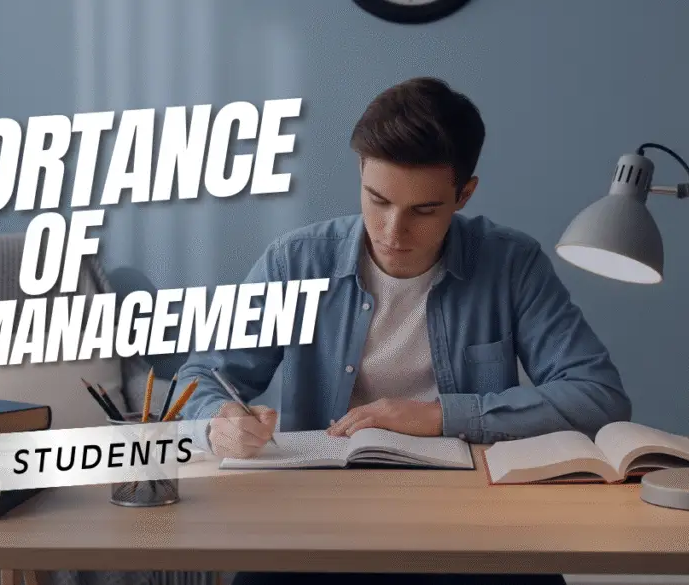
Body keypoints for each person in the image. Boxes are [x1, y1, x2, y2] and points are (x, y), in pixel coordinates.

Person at [176, 77, 631, 585]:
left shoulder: (511, 264)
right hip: (318, 523)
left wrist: (439, 416)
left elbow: (599, 397)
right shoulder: (296, 261)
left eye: (424, 210)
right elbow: (199, 378)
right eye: (378, 200)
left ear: (464, 195)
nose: (393, 232)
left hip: (476, 521)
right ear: (361, 175)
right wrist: (217, 419)